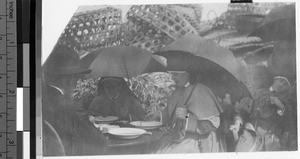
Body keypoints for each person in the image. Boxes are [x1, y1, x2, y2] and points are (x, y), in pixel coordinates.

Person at [42, 45, 107, 156]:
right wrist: (88, 124)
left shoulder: (35, 101)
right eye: (77, 77)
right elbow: (99, 141)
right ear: (70, 80)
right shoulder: (71, 108)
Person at [148, 71, 226, 153]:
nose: (172, 77)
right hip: (178, 136)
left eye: (175, 74)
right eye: (172, 74)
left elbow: (212, 124)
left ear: (186, 75)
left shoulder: (201, 90)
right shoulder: (178, 90)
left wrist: (186, 116)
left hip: (198, 139)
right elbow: (170, 114)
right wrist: (158, 115)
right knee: (155, 148)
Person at [232, 76, 292, 152]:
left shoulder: (283, 100)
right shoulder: (258, 93)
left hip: (269, 138)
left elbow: (287, 121)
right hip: (251, 131)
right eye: (281, 81)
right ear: (275, 79)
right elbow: (242, 111)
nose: (283, 84)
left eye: (285, 84)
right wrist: (237, 122)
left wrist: (280, 106)